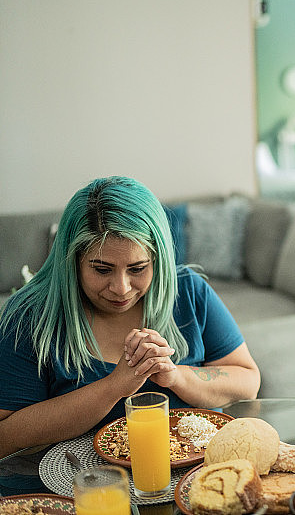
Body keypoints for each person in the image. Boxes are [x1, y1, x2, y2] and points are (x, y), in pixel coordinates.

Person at [0, 176, 260, 491]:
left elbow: (248, 381)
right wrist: (114, 387)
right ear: (72, 261)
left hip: (203, 482)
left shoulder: (189, 291)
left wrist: (176, 377)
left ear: (158, 259)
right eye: (102, 269)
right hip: (86, 491)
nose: (121, 288)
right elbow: (5, 438)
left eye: (138, 269)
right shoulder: (29, 317)